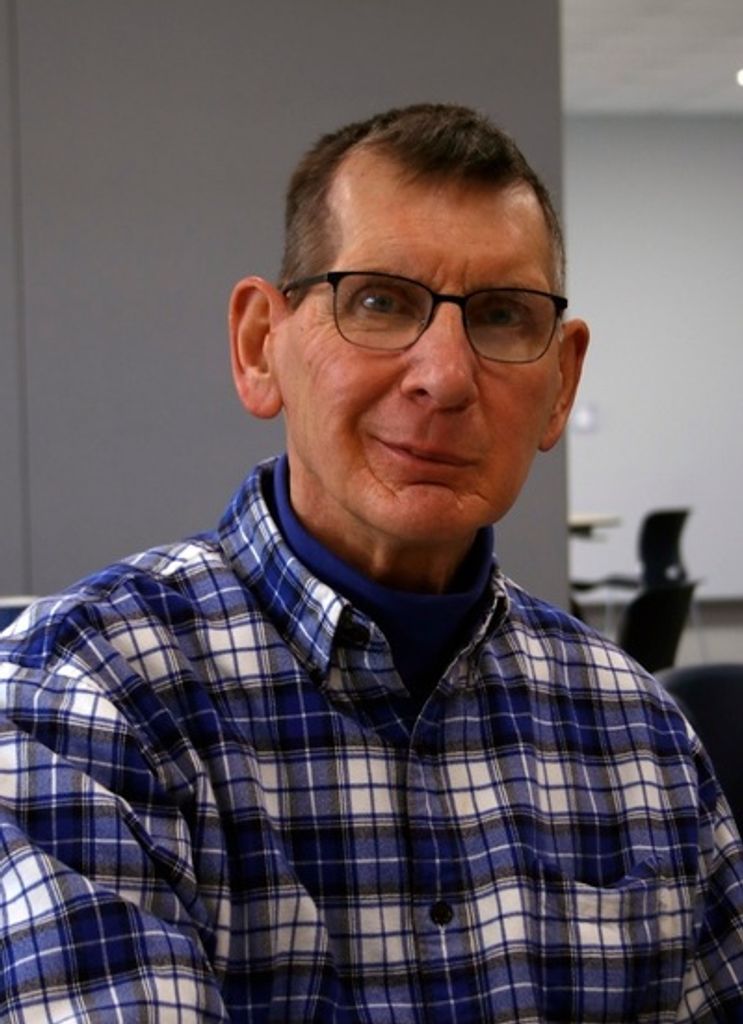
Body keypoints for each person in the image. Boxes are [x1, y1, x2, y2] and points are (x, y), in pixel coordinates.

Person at [0, 103, 741, 1023]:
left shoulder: (636, 732)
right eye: (380, 302)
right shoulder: (82, 700)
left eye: (501, 316)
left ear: (560, 383)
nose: (446, 376)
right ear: (259, 347)